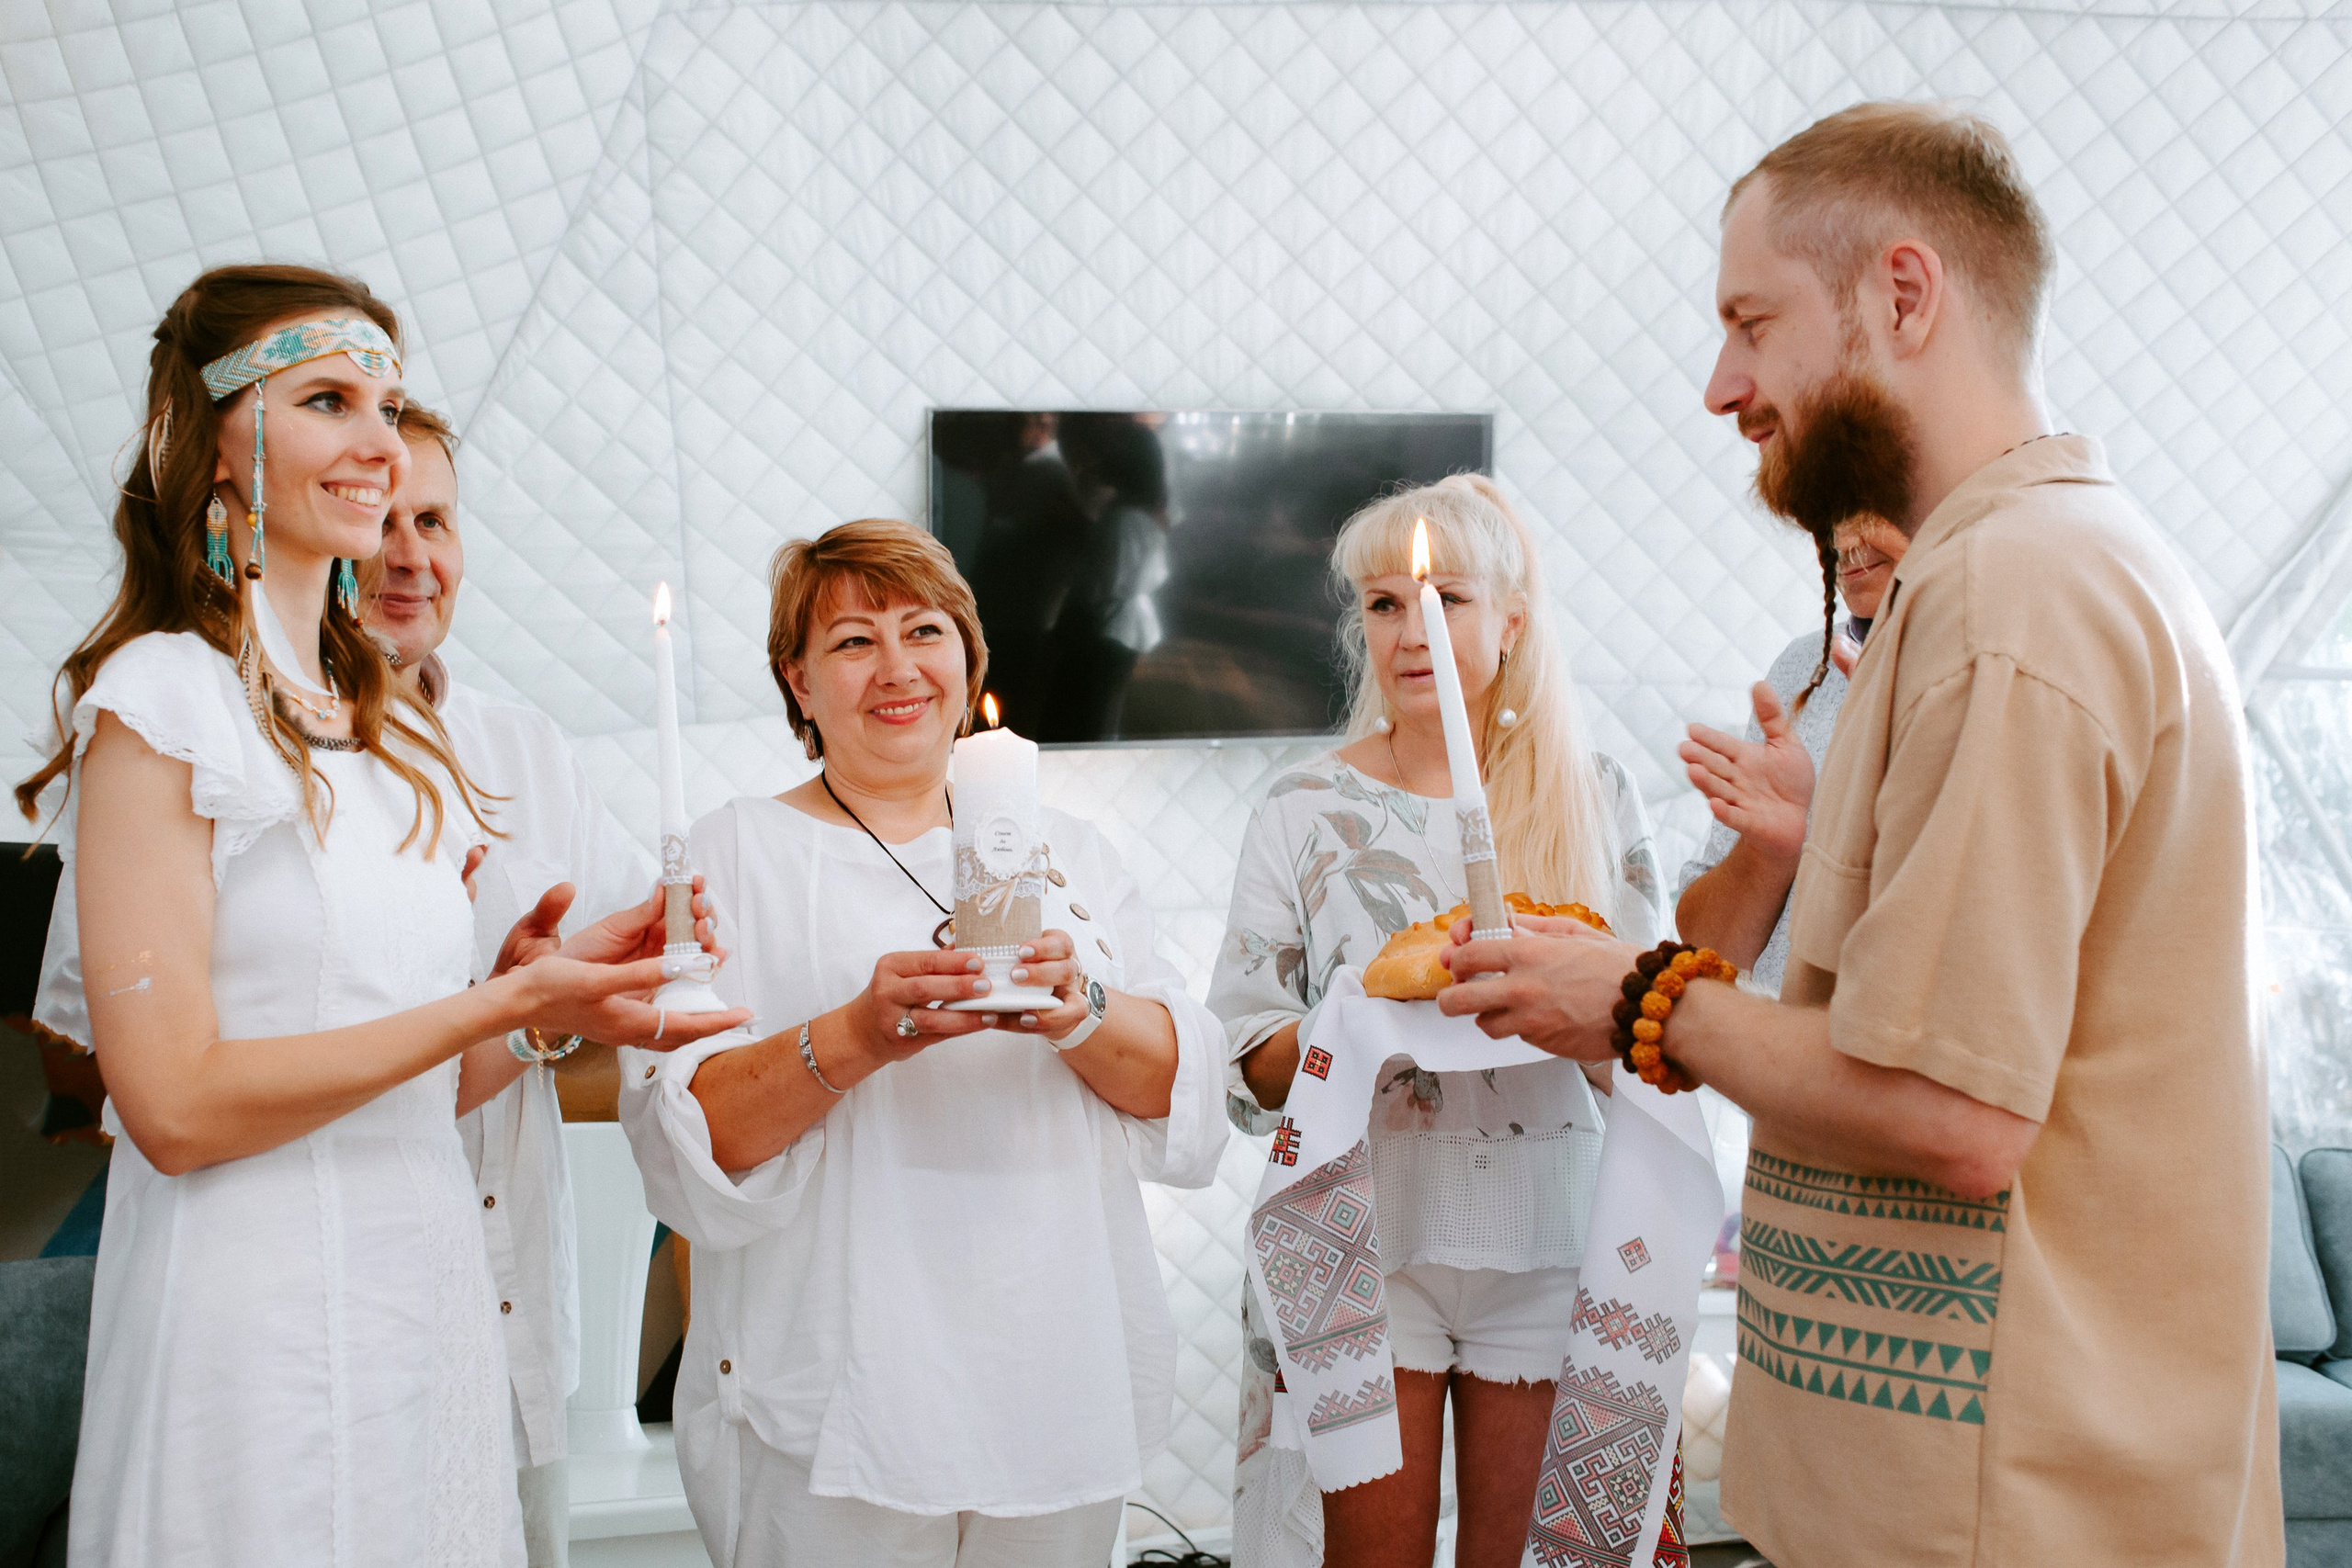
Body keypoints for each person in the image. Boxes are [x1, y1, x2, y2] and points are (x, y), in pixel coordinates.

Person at [1442, 103, 2281, 1566]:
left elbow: (1953, 1109)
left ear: (1904, 294)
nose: (1722, 385)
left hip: (2002, 1501)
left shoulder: (2009, 595)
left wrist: (1634, 997)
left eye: (1753, 322)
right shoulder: (2027, 567)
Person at [13, 264, 745, 1568]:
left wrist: (539, 1002)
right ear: (217, 443)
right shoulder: (161, 706)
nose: (376, 443)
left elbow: (410, 1077)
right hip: (252, 1312)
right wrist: (501, 999)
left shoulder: (386, 733)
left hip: (420, 1293)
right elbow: (173, 1107)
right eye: (329, 399)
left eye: (387, 401)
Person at [616, 519, 1227, 1568]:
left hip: (1049, 1365)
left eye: (924, 631)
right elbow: (686, 1139)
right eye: (853, 642)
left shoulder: (1073, 854)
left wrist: (1076, 1008)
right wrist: (856, 1036)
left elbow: (1185, 1104)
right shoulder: (731, 853)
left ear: (968, 658)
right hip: (834, 1387)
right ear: (797, 683)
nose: (896, 667)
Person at [1214, 474, 1663, 1568]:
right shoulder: (1304, 807)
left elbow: (1655, 1039)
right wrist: (1350, 1024)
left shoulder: (1589, 796)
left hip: (1553, 1232)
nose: (1410, 629)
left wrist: (1570, 1009)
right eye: (1381, 604)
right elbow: (1240, 1062)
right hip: (1364, 1233)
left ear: (1512, 619)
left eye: (1445, 598)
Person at [363, 402, 656, 1568]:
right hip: (344, 1274)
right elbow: (92, 1069)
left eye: (433, 518)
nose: (410, 554)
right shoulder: (225, 737)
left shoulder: (524, 746)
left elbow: (634, 977)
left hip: (508, 1293)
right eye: (379, 519)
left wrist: (560, 1003)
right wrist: (525, 1010)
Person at [1673, 514, 1906, 990]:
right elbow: (1707, 950)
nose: (1843, 539)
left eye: (1872, 504)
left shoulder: (1999, 673)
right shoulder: (1805, 666)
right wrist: (1769, 853)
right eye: (1830, 511)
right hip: (1776, 1054)